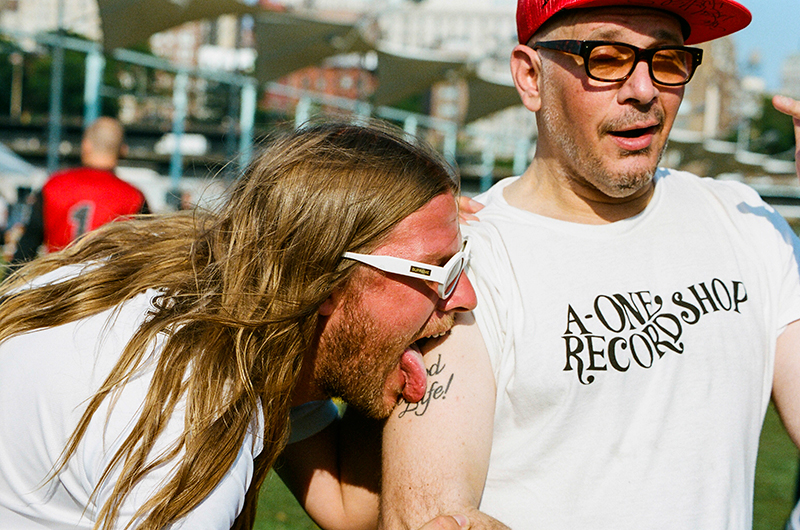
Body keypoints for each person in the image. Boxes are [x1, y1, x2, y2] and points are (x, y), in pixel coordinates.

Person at [379, 1, 800, 528]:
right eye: (607, 56)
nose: (644, 90)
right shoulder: (468, 263)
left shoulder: (746, 221)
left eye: (666, 59)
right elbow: (430, 516)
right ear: (530, 77)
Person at [0, 121, 475, 530]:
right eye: (439, 270)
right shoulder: (190, 405)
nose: (466, 297)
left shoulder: (243, 314)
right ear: (325, 280)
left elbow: (349, 507)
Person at [11, 117, 149, 263]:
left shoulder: (54, 185)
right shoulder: (133, 196)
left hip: (56, 280)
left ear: (86, 145)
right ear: (123, 150)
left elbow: (26, 248)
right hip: (104, 284)